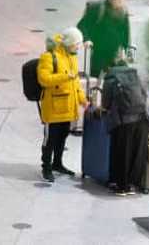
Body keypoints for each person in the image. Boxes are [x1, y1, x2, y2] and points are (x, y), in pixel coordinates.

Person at [36, 28, 87, 183]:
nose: (78, 47)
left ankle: (57, 163)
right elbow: (44, 79)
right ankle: (46, 166)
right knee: (50, 138)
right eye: (76, 44)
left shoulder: (72, 57)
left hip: (67, 107)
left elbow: (76, 83)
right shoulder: (48, 57)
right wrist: (64, 77)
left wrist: (82, 99)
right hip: (53, 107)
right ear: (69, 44)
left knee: (63, 136)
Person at [100, 56, 149, 196]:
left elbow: (105, 104)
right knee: (135, 152)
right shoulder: (135, 75)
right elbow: (144, 95)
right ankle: (132, 184)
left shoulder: (110, 78)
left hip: (122, 120)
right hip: (141, 119)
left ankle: (121, 186)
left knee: (121, 152)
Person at [76, 0, 132, 80]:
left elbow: (126, 32)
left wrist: (127, 49)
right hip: (99, 53)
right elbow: (82, 25)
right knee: (97, 81)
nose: (121, 1)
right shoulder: (97, 9)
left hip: (115, 54)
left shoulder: (123, 11)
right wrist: (86, 39)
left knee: (118, 81)